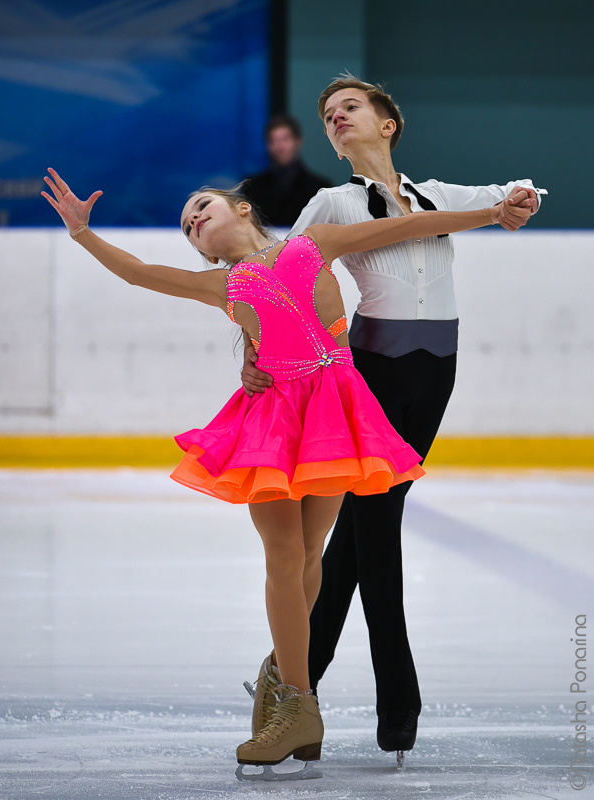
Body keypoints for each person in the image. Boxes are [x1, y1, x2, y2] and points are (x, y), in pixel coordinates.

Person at [41, 167, 531, 780]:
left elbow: (412, 224)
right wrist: (84, 234)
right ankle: (300, 705)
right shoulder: (222, 285)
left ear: (242, 210)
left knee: (308, 558)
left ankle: (280, 676)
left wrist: (492, 213)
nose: (195, 220)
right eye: (188, 225)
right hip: (269, 422)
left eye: (202, 207)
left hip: (331, 411)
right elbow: (142, 274)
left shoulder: (313, 243)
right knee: (283, 551)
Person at [241, 75, 545, 760]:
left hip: (437, 371)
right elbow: (276, 283)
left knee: (359, 534)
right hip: (371, 375)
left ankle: (296, 691)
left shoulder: (440, 196)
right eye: (328, 116)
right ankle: (397, 707)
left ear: (387, 124)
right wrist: (257, 353)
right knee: (378, 531)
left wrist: (521, 198)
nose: (337, 118)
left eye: (350, 107)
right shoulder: (333, 201)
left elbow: (512, 194)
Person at [242, 114, 331, 227]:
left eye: (285, 139)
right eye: (273, 140)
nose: (280, 147)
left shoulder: (319, 189)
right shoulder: (252, 187)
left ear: (298, 141)